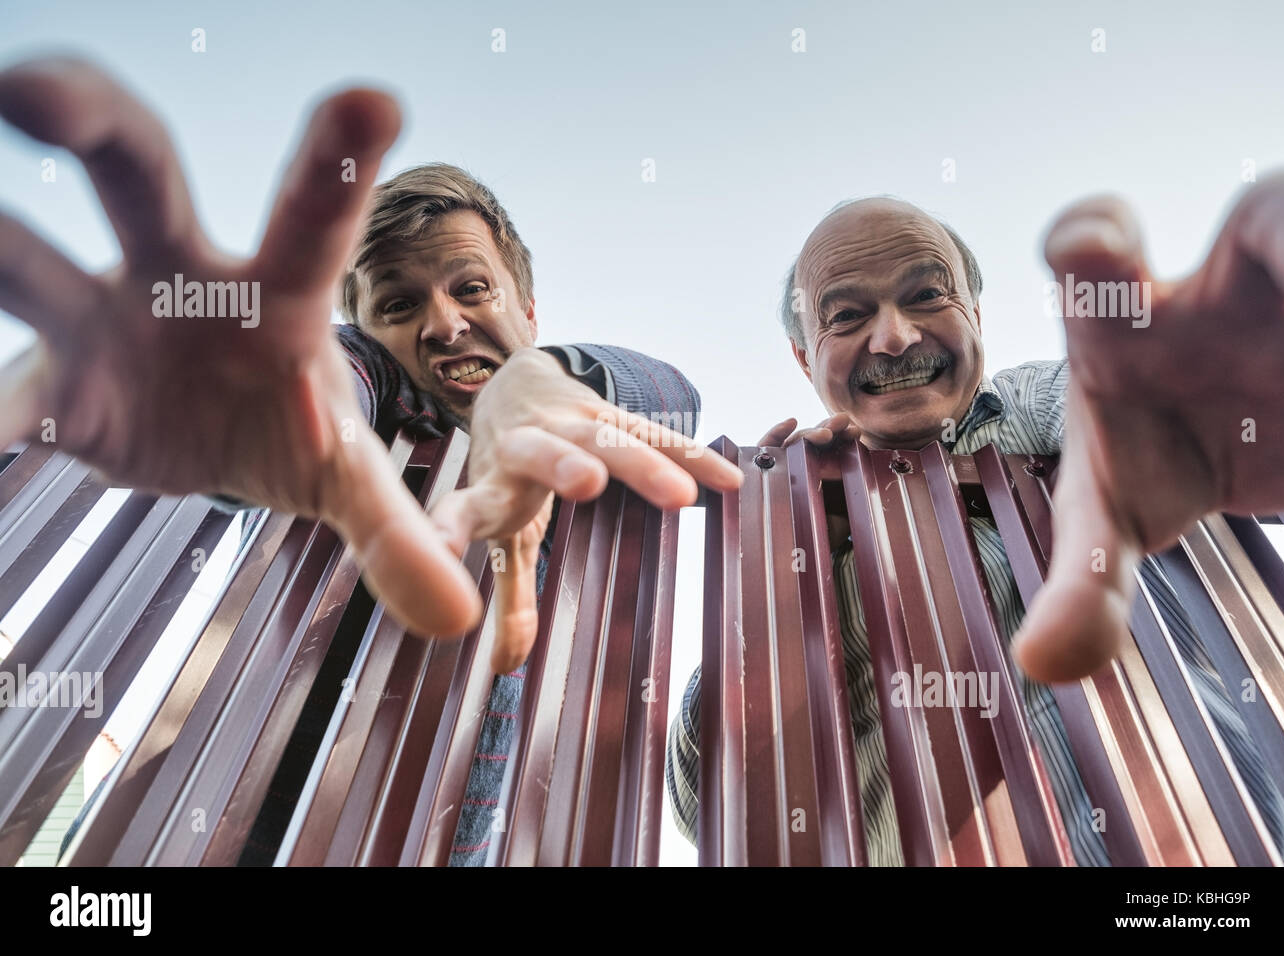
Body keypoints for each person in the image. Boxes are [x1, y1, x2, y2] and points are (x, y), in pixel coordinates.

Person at [0, 56, 742, 865]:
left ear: (528, 308)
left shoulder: (578, 398)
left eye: (473, 289)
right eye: (398, 303)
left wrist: (545, 376)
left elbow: (673, 392)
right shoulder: (356, 386)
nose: (446, 324)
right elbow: (332, 380)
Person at [668, 189, 1284, 865]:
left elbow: (1116, 409)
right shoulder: (790, 524)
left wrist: (1193, 413)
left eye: (927, 296)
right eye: (848, 315)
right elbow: (705, 807)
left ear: (974, 314)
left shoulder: (1038, 399)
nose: (895, 338)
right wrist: (768, 601)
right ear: (804, 358)